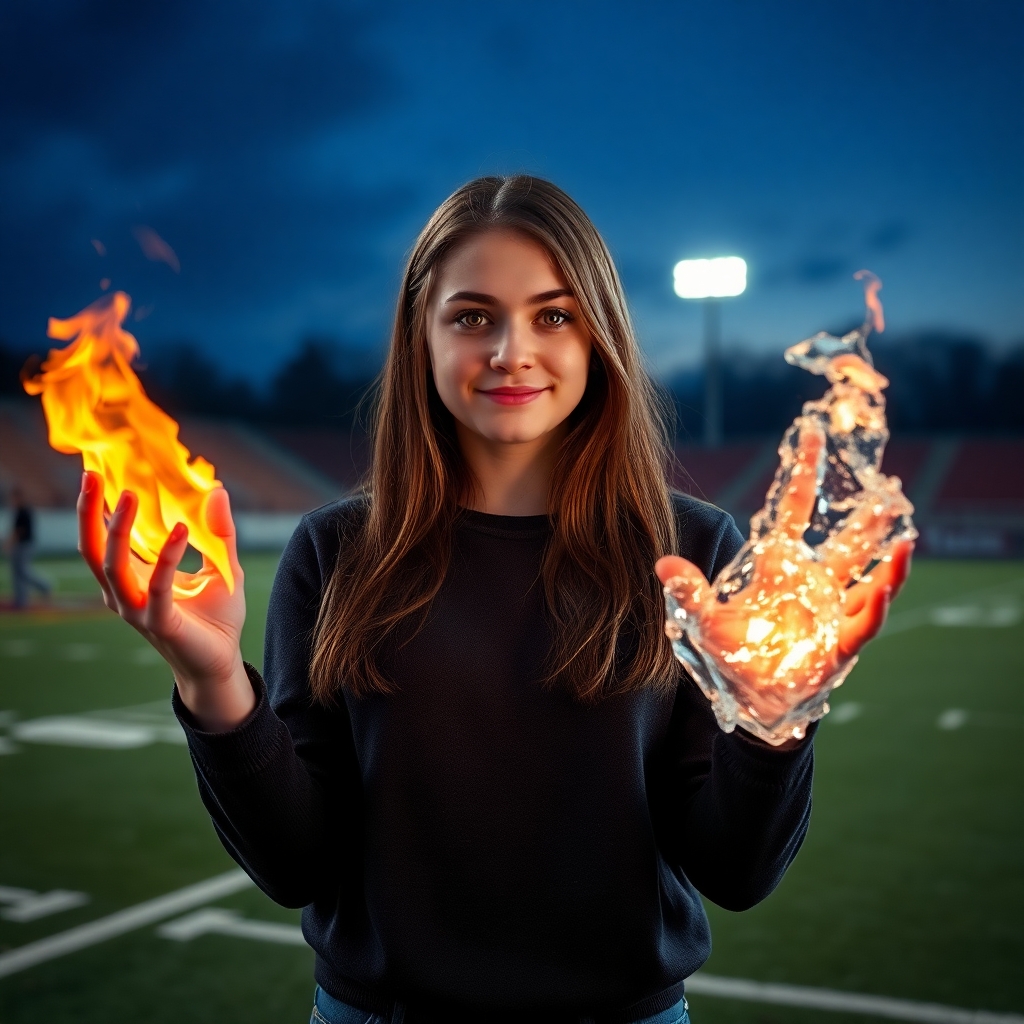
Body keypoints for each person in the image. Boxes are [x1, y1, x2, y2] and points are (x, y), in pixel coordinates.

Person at [76, 176, 912, 1024]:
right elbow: (298, 868)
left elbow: (736, 873)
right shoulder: (333, 552)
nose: (512, 350)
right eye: (473, 317)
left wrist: (774, 721)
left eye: (554, 316)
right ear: (422, 336)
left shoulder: (691, 552)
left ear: (600, 336)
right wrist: (214, 682)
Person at [7, 486, 52, 609]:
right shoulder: (21, 510)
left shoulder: (24, 511)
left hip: (24, 545)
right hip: (23, 544)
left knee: (21, 571)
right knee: (18, 572)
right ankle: (21, 599)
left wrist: (9, 543)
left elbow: (19, 531)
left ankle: (44, 586)